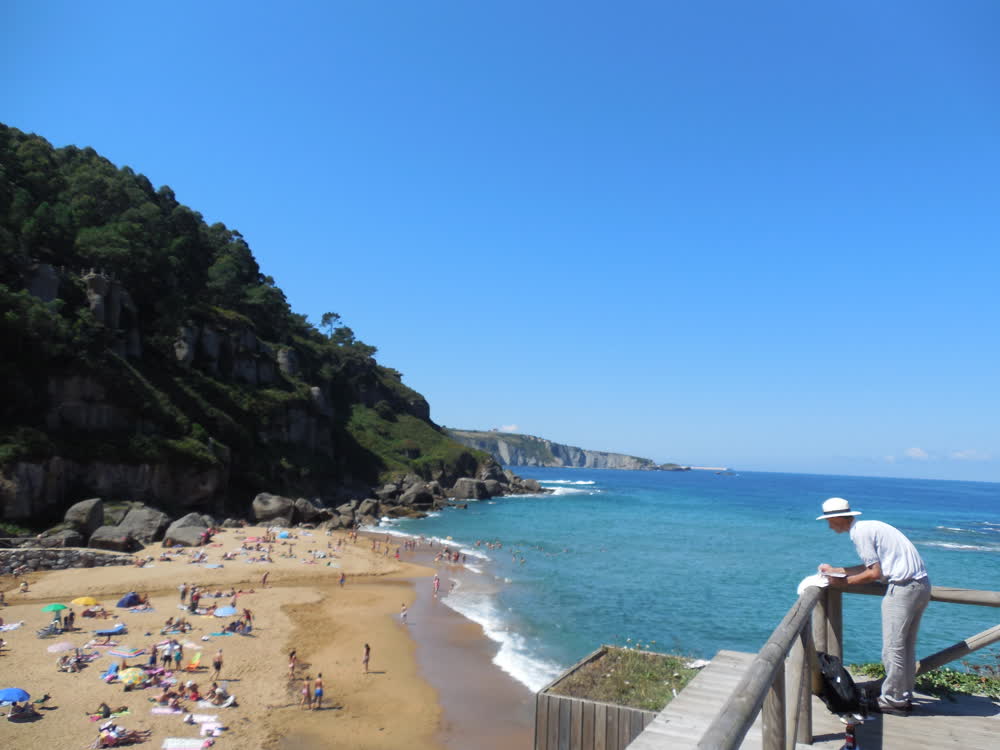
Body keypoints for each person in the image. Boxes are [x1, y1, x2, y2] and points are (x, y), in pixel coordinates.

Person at [816, 497, 931, 715]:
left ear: (838, 518)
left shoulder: (859, 533)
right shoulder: (871, 527)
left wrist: (842, 583)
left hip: (902, 588)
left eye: (829, 521)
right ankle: (902, 695)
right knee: (906, 647)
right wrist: (839, 570)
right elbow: (872, 566)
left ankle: (893, 700)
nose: (829, 526)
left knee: (893, 648)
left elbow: (874, 573)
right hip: (921, 585)